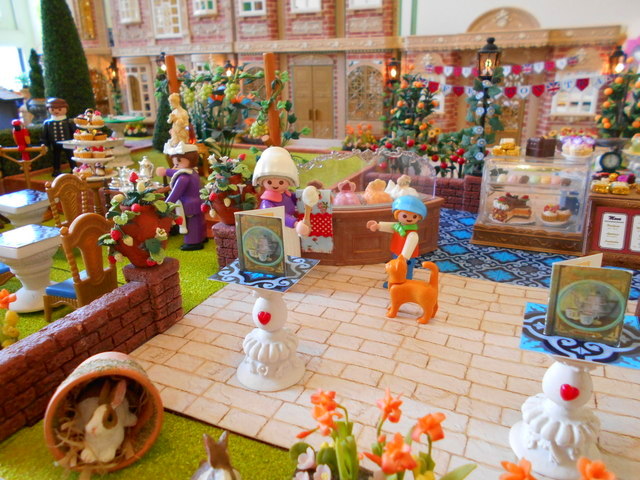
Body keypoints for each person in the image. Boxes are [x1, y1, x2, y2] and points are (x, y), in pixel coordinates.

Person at [252, 146, 311, 257]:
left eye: (281, 182)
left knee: (290, 248)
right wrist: (295, 223)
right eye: (269, 182)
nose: (275, 185)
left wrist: (306, 196)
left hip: (288, 228)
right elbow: (277, 214)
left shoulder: (286, 194)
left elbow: (295, 198)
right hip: (274, 230)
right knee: (278, 250)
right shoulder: (267, 203)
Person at [156, 144, 207, 251]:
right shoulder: (193, 172)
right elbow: (177, 171)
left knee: (190, 224)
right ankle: (202, 237)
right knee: (199, 221)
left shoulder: (183, 178)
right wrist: (166, 171)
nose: (175, 167)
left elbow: (175, 194)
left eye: (177, 164)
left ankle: (193, 242)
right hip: (198, 202)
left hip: (187, 204)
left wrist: (166, 205)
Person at [367, 195, 427, 285]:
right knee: (395, 269)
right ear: (397, 214)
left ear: (419, 218)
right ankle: (395, 281)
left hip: (407, 257)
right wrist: (377, 226)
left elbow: (410, 245)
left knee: (406, 271)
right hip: (396, 252)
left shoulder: (412, 233)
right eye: (404, 215)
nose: (409, 218)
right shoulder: (398, 226)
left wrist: (404, 258)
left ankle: (406, 284)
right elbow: (390, 226)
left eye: (414, 216)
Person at [41, 98, 75, 176]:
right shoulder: (47, 123)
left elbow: (74, 132)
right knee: (56, 157)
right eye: (53, 109)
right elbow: (44, 135)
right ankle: (56, 170)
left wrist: (75, 142)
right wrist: (45, 144)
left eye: (59, 109)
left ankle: (74, 168)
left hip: (68, 143)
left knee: (70, 156)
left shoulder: (69, 121)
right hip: (55, 144)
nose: (56, 111)